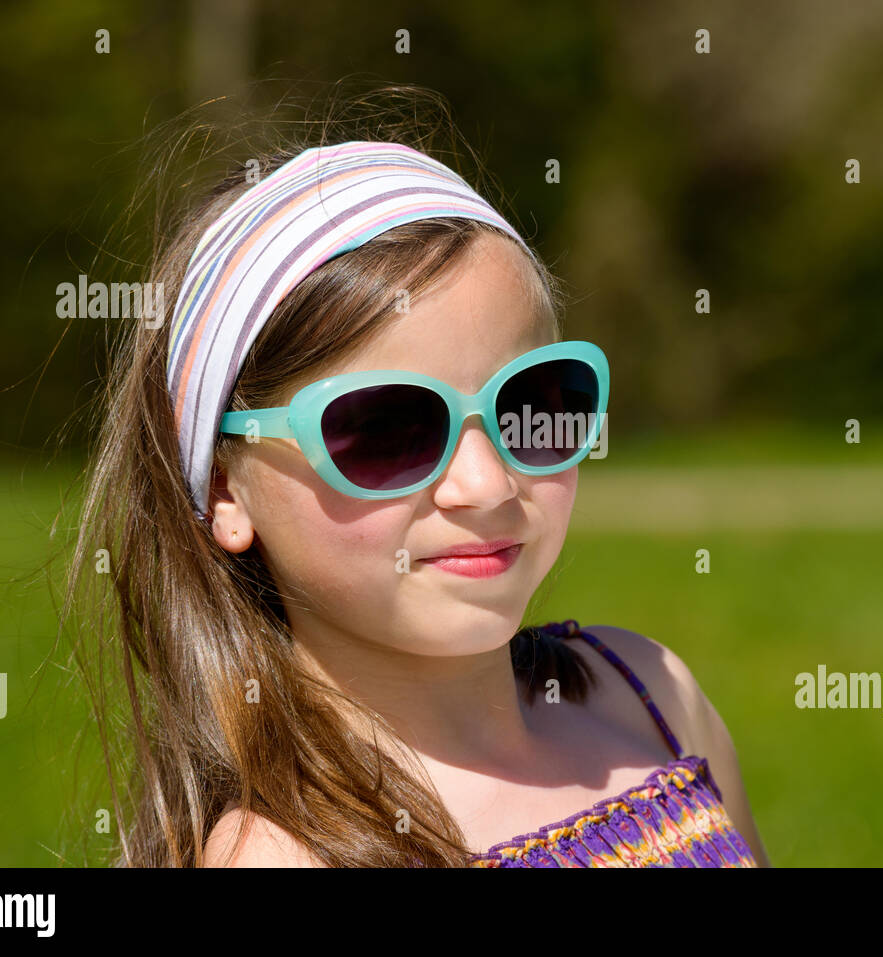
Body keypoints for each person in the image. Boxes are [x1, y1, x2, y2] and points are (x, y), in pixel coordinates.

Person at [62, 90, 770, 868]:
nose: (486, 484)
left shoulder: (651, 697)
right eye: (388, 430)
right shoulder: (282, 856)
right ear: (228, 488)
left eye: (530, 405)